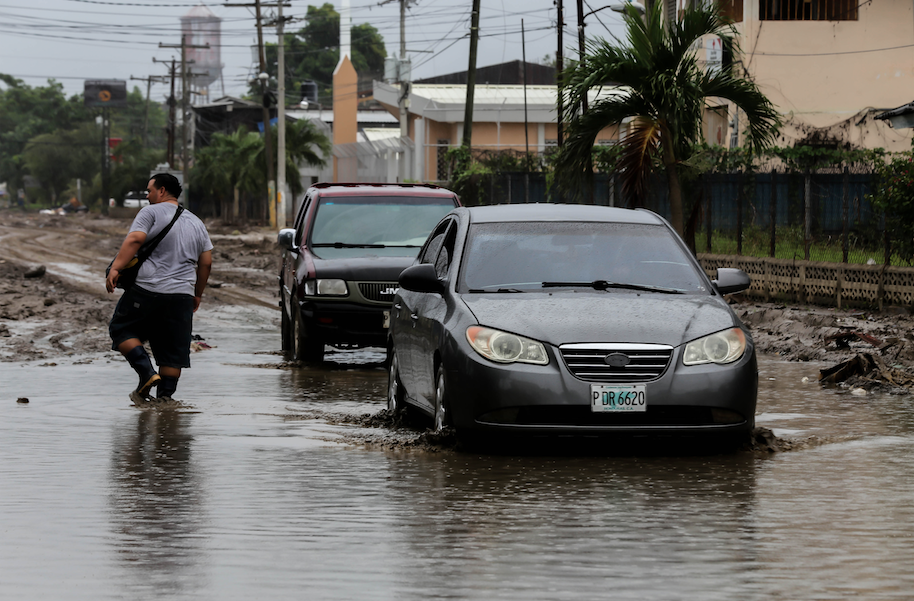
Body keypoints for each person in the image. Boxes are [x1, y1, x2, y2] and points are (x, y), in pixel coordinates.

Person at [106, 173, 213, 405]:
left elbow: (135, 239)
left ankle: (146, 372)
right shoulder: (197, 222)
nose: (147, 195)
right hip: (182, 295)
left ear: (162, 191)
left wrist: (115, 268)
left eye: (149, 190)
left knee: (121, 329)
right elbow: (206, 262)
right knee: (172, 351)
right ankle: (165, 400)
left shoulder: (150, 212)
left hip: (147, 289)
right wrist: (197, 293)